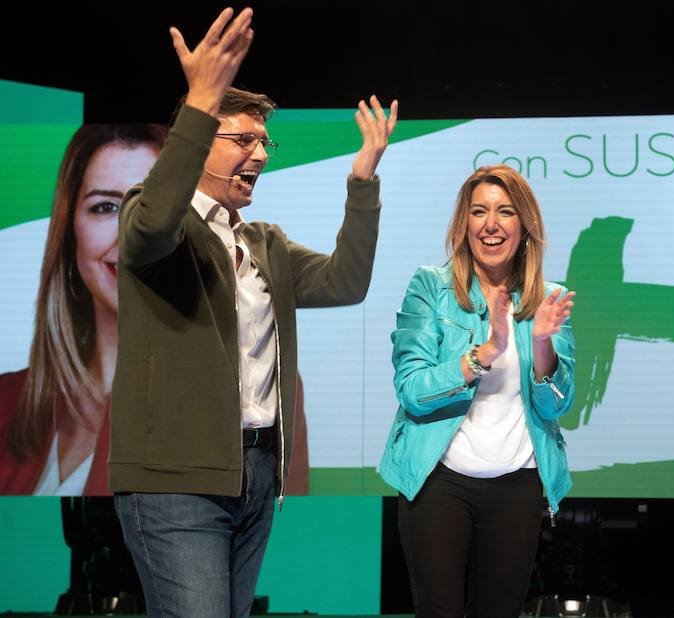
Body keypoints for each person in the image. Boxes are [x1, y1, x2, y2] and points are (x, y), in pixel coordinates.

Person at [109, 7, 397, 617]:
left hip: (256, 475)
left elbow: (346, 283)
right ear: (197, 144)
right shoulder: (155, 218)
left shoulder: (263, 241)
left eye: (265, 141)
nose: (261, 154)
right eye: (243, 140)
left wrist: (363, 180)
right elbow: (154, 224)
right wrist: (201, 99)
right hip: (176, 483)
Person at [379, 164, 576, 617]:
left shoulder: (549, 297)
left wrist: (542, 341)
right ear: (463, 225)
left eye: (505, 212)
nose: (491, 224)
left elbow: (557, 402)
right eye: (479, 212)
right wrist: (483, 354)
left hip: (518, 486)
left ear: (523, 226)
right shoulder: (431, 287)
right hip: (438, 482)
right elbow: (411, 389)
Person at [0, 124, 165, 495]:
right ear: (71, 230)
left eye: (152, 207)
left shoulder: (237, 402)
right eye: (106, 207)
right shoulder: (5, 401)